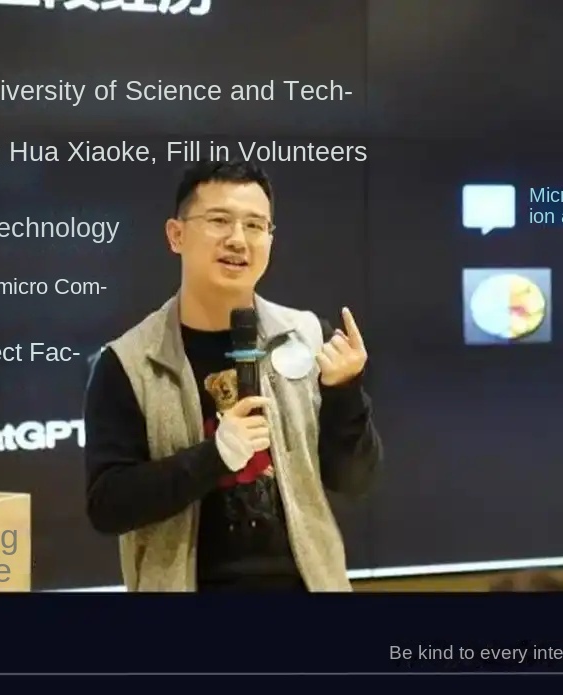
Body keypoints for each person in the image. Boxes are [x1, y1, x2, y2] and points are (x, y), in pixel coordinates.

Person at [84, 159, 383, 592]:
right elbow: (108, 505)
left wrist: (345, 393)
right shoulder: (128, 363)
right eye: (219, 220)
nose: (238, 239)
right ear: (176, 235)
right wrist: (214, 457)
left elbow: (354, 480)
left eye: (255, 225)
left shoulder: (307, 337)